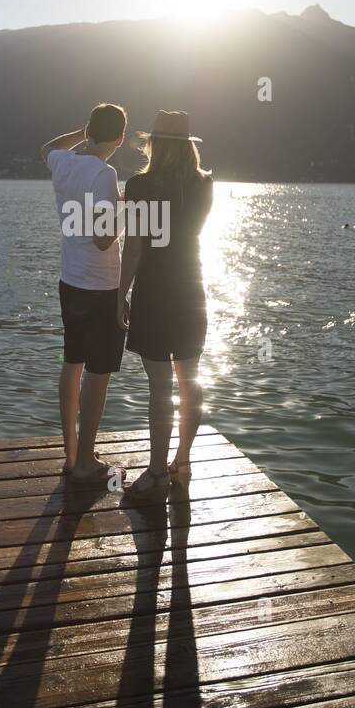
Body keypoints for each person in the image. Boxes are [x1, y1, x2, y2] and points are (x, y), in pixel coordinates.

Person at [117, 110, 213, 495]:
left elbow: (136, 248)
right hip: (191, 289)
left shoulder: (140, 185)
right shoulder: (205, 184)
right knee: (189, 380)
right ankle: (182, 462)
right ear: (189, 145)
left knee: (160, 386)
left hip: (154, 292)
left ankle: (156, 471)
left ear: (153, 144)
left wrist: (119, 293)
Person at [41, 104, 128, 483]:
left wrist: (83, 134)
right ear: (121, 139)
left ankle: (71, 453)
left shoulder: (64, 162)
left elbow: (46, 147)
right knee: (98, 371)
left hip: (70, 281)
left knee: (71, 363)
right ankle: (87, 460)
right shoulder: (104, 174)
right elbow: (104, 238)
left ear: (89, 130)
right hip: (100, 286)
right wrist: (130, 209)